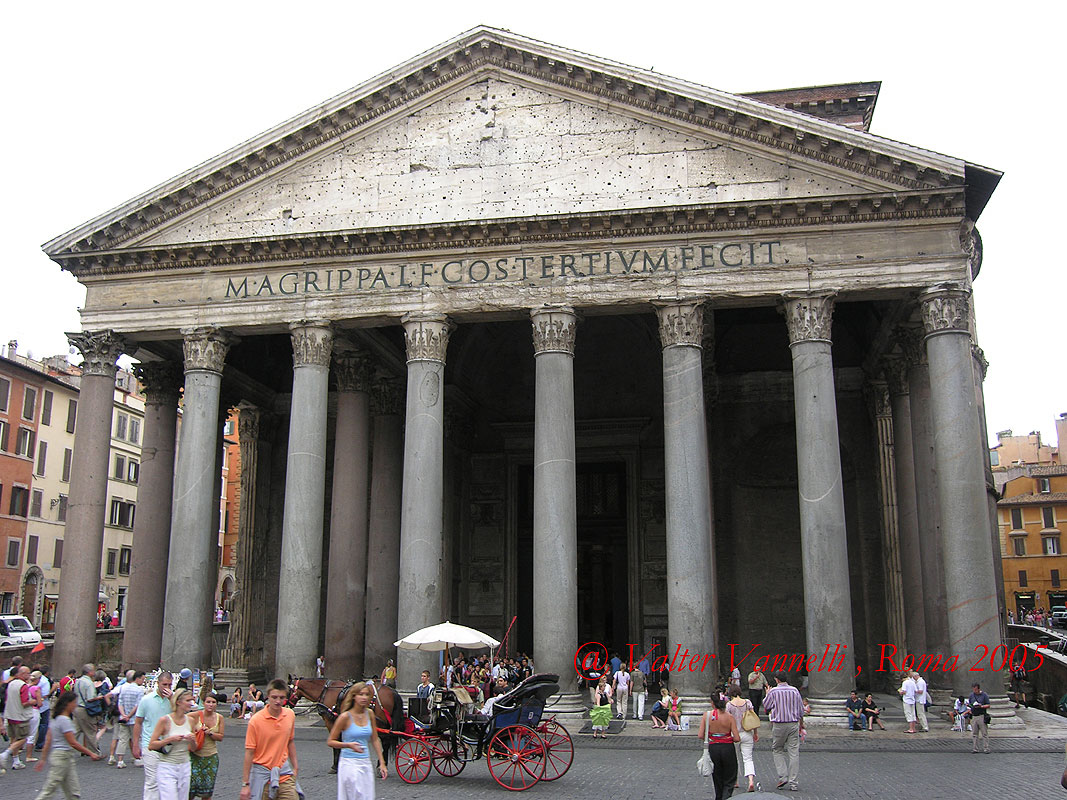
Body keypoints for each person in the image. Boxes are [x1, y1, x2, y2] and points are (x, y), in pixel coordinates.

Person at [32, 690, 103, 798]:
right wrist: (91, 753)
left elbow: (48, 741)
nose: (75, 705)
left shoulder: (55, 719)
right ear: (68, 704)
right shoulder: (64, 720)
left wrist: (43, 759)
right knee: (50, 789)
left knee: (72, 791)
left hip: (63, 756)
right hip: (62, 756)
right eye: (74, 702)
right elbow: (73, 743)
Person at [241, 678, 303, 800]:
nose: (278, 701)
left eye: (281, 698)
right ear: (268, 697)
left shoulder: (289, 715)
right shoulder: (256, 721)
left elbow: (290, 741)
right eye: (274, 697)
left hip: (284, 774)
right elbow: (249, 752)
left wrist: (295, 767)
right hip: (262, 775)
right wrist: (245, 784)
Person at [327, 681, 388, 799]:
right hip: (349, 763)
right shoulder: (345, 717)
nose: (364, 697)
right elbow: (331, 741)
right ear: (354, 696)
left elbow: (375, 739)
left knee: (367, 796)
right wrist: (348, 745)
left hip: (365, 762)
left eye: (366, 694)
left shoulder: (369, 714)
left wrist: (382, 762)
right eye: (361, 694)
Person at [133, 670, 175, 800]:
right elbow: (138, 722)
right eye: (164, 684)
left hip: (169, 744)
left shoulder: (174, 700)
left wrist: (173, 699)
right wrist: (135, 745)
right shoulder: (146, 700)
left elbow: (182, 716)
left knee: (168, 781)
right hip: (150, 744)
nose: (167, 688)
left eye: (169, 685)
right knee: (152, 781)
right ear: (158, 683)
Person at [149, 688, 196, 800]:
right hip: (167, 766)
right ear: (178, 702)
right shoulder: (165, 720)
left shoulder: (190, 720)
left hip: (185, 765)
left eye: (191, 700)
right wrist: (169, 740)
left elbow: (194, 748)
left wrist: (192, 740)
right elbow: (151, 745)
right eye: (188, 700)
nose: (191, 703)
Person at [762, 671, 804, 792]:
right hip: (793, 723)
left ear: (776, 679)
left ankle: (783, 776)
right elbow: (801, 709)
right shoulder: (794, 691)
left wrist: (767, 693)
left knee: (777, 749)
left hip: (779, 724)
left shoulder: (774, 691)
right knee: (794, 752)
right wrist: (801, 724)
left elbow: (766, 706)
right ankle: (793, 782)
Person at [699, 691, 741, 800]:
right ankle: (726, 796)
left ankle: (719, 796)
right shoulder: (730, 717)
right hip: (727, 748)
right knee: (730, 776)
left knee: (717, 776)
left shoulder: (707, 716)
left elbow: (700, 735)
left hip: (714, 748)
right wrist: (727, 737)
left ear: (713, 703)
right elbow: (737, 738)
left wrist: (713, 737)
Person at [190, 692, 225, 799]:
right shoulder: (196, 715)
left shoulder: (219, 718)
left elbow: (220, 737)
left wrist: (210, 733)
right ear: (203, 703)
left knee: (207, 792)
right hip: (195, 756)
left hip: (211, 757)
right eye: (208, 702)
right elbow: (180, 717)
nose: (211, 704)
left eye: (213, 702)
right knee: (190, 790)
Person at [725, 685, 759, 793]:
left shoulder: (729, 705)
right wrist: (755, 733)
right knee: (748, 758)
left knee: (734, 759)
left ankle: (735, 780)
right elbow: (753, 718)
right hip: (747, 733)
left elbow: (727, 721)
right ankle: (751, 781)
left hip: (734, 734)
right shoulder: (747, 702)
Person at [1, 664, 32, 772]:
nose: (30, 675)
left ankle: (16, 761)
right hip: (20, 716)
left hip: (10, 715)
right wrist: (33, 702)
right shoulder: (23, 686)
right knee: (23, 738)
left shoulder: (11, 683)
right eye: (28, 673)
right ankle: (6, 754)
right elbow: (24, 703)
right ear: (22, 674)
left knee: (13, 738)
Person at [113, 670, 146, 768]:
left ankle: (120, 760)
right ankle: (138, 757)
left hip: (123, 717)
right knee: (137, 738)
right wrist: (129, 716)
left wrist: (124, 715)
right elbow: (138, 705)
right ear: (137, 678)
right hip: (135, 719)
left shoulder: (123, 688)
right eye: (142, 679)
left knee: (122, 739)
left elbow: (120, 703)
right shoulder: (139, 690)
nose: (143, 681)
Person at [72, 663, 100, 756]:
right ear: (90, 672)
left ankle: (66, 748)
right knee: (90, 731)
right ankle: (94, 752)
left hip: (76, 707)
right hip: (85, 709)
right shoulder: (89, 683)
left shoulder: (78, 681)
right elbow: (90, 698)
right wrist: (99, 697)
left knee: (75, 730)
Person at [23, 670, 44, 763]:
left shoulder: (26, 686)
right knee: (32, 734)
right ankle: (29, 755)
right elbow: (39, 703)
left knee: (24, 732)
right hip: (34, 711)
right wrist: (40, 701)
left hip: (26, 711)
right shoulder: (36, 688)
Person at [968, 682, 991, 754]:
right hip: (974, 716)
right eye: (973, 689)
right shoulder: (971, 695)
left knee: (984, 733)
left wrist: (981, 706)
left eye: (975, 689)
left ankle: (986, 748)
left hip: (981, 715)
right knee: (974, 733)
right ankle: (975, 748)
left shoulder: (984, 695)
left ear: (978, 689)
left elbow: (988, 705)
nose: (974, 691)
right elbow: (970, 704)